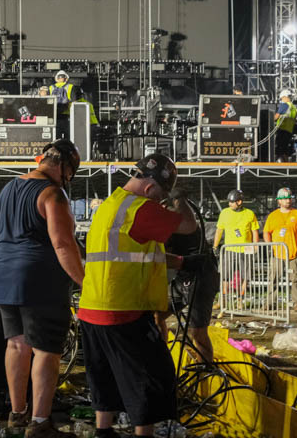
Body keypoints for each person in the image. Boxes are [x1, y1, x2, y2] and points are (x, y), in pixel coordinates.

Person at [78, 154, 202, 438]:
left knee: (105, 376)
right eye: (160, 195)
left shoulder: (111, 205)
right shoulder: (140, 209)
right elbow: (188, 226)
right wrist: (180, 199)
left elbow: (140, 250)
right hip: (124, 309)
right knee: (149, 377)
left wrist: (183, 262)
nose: (161, 201)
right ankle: (142, 434)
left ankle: (104, 431)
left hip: (92, 308)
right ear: (149, 189)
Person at [0, 139, 85, 438]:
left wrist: (6, 266)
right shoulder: (53, 194)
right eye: (69, 172)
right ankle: (40, 422)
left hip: (4, 276)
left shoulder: (7, 189)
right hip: (41, 280)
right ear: (62, 166)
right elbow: (62, 243)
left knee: (16, 345)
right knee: (46, 350)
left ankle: (17, 415)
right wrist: (87, 283)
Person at [163, 187, 218, 363]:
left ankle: (205, 371)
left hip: (201, 278)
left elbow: (160, 256)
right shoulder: (168, 217)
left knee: (198, 332)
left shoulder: (183, 218)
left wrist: (178, 196)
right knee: (155, 315)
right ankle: (161, 359)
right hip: (182, 279)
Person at [264, 187, 297, 312]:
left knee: (295, 279)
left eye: (289, 198)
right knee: (273, 279)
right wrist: (269, 246)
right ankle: (270, 302)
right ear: (279, 201)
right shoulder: (273, 216)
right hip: (277, 253)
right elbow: (266, 232)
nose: (287, 201)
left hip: (293, 253)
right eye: (284, 199)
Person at [213, 189, 261, 310]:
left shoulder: (249, 213)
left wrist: (256, 246)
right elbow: (219, 230)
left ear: (239, 202)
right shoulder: (224, 213)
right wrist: (215, 246)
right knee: (225, 276)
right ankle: (222, 300)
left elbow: (254, 231)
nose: (229, 204)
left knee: (246, 276)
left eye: (232, 202)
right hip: (229, 249)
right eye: (229, 201)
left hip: (247, 248)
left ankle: (240, 300)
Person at [274, 89, 297, 162]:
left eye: (282, 98)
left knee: (280, 148)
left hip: (282, 129)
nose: (281, 100)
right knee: (285, 148)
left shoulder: (284, 105)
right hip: (289, 130)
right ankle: (286, 164)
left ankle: (275, 163)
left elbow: (276, 117)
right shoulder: (293, 107)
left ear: (285, 97)